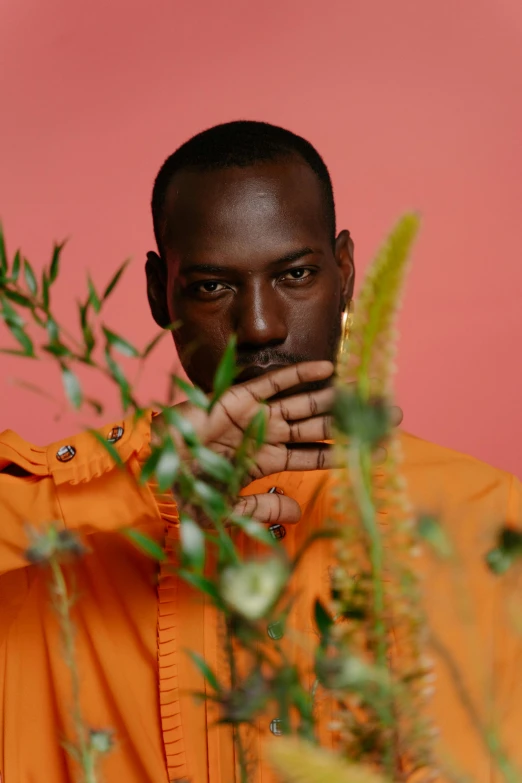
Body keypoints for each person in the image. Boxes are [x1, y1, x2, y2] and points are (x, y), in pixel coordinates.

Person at [1, 121, 521, 783]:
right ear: (160, 292)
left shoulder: (485, 514)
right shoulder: (52, 534)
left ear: (347, 273)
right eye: (213, 287)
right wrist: (133, 490)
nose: (261, 326)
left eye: (296, 275)